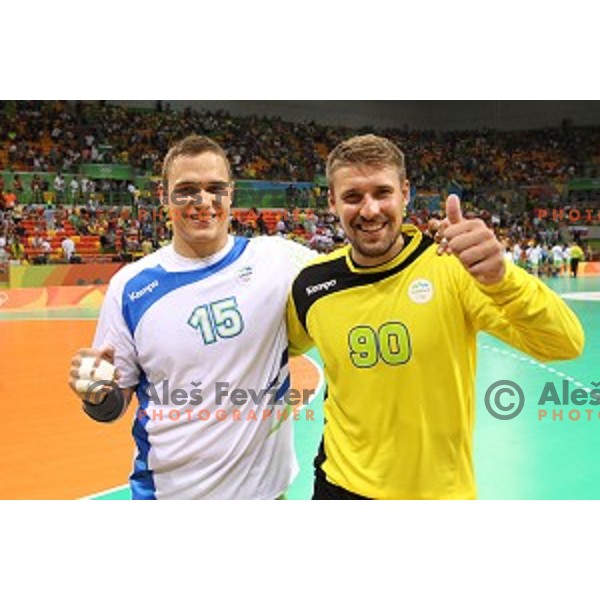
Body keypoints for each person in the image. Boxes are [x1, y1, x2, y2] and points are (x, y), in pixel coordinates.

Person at [286, 134, 584, 500]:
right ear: (331, 201)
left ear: (405, 193)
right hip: (339, 486)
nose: (369, 210)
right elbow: (282, 348)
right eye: (352, 196)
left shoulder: (453, 267)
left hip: (438, 494)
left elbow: (565, 343)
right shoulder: (312, 284)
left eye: (382, 193)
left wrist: (503, 279)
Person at [68, 135, 315, 499]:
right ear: (164, 196)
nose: (203, 202)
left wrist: (431, 244)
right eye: (186, 190)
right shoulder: (130, 288)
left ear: (231, 194)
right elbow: (111, 407)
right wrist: (96, 394)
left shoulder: (279, 259)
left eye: (215, 188)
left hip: (266, 495)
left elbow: (358, 271)